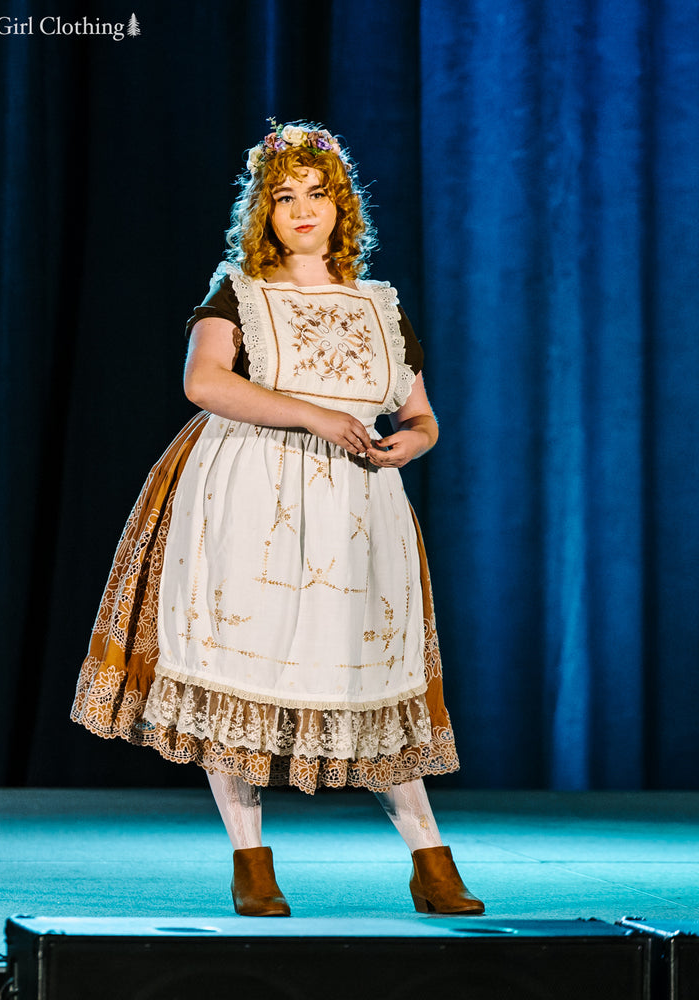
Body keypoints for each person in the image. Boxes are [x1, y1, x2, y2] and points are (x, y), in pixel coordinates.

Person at [71, 121, 484, 918]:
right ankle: (250, 859)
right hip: (249, 492)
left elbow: (422, 414)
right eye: (285, 197)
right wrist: (314, 418)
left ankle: (431, 860)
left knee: (366, 669)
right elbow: (205, 383)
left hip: (357, 505)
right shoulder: (238, 291)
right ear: (262, 211)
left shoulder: (380, 307)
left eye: (317, 196)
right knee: (241, 666)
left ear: (342, 208)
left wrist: (412, 446)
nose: (302, 211)